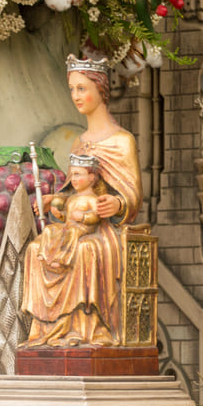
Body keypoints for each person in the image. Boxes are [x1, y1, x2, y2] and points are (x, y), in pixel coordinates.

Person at [19, 55, 142, 347]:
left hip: (102, 232)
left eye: (82, 88)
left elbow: (133, 192)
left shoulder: (121, 141)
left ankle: (88, 327)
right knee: (36, 249)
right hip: (74, 225)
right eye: (72, 89)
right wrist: (54, 200)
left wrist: (119, 204)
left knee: (86, 250)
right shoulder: (79, 141)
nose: (76, 96)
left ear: (101, 89)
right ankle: (47, 329)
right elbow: (73, 189)